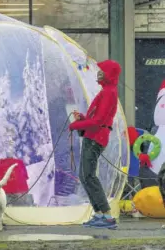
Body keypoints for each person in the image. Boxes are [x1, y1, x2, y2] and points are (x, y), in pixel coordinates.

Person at [69, 59, 121, 229]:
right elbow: (98, 119)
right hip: (94, 136)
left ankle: (106, 215)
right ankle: (99, 213)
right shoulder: (107, 91)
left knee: (88, 175)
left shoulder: (109, 92)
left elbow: (98, 121)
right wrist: (83, 119)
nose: (98, 74)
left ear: (109, 74)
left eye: (102, 71)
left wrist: (76, 125)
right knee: (85, 175)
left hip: (95, 138)